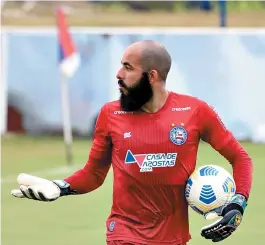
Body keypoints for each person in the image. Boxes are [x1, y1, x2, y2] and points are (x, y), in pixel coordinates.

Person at [11, 40, 253, 245]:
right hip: (124, 234)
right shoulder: (110, 114)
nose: (119, 74)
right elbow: (94, 174)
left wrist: (237, 203)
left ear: (152, 76)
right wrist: (60, 187)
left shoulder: (195, 111)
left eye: (128, 68)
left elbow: (240, 157)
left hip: (174, 237)